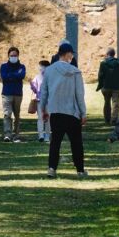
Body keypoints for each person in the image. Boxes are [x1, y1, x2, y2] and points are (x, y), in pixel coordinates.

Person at [38, 40, 87, 178]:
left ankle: (52, 169)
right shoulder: (76, 72)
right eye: (71, 54)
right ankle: (80, 170)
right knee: (76, 143)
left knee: (55, 142)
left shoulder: (48, 71)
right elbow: (79, 95)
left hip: (56, 112)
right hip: (72, 113)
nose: (72, 57)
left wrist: (43, 110)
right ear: (67, 54)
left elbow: (44, 92)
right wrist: (83, 113)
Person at [0, 47, 27, 142]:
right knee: (7, 114)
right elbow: (4, 77)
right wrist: (15, 75)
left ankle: (16, 134)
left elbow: (21, 75)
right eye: (11, 55)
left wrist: (10, 75)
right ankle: (7, 134)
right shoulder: (3, 66)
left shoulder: (22, 67)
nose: (13, 57)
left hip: (18, 94)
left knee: (17, 115)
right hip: (6, 94)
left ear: (18, 56)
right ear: (8, 56)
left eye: (15, 55)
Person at [97, 47, 119, 125]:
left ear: (107, 54)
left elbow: (100, 76)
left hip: (106, 87)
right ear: (114, 54)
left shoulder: (103, 63)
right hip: (116, 87)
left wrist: (100, 86)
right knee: (116, 104)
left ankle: (107, 119)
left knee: (107, 103)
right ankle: (114, 120)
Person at [28, 59, 50, 142]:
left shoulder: (51, 77)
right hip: (39, 101)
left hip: (49, 101)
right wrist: (31, 84)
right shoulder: (37, 77)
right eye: (40, 67)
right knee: (40, 118)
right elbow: (34, 90)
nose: (41, 68)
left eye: (43, 67)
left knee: (48, 118)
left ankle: (47, 135)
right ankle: (41, 135)